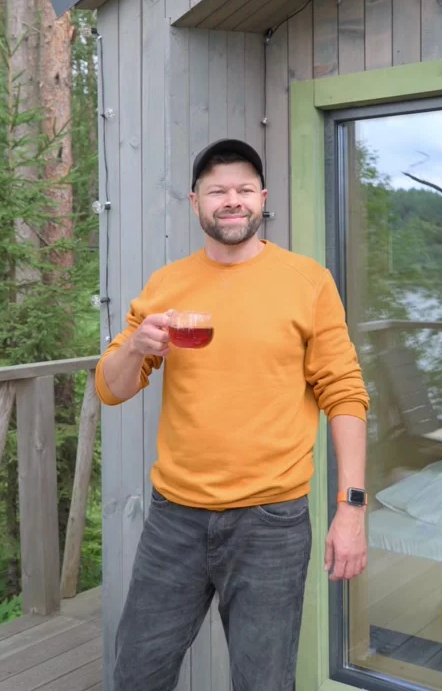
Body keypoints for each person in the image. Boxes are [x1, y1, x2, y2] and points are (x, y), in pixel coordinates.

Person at [95, 138, 370, 691]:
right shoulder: (166, 286)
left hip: (272, 522)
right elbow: (111, 389)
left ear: (262, 198)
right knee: (135, 676)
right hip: (175, 517)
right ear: (195, 202)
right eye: (217, 190)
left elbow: (344, 393)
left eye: (244, 189)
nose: (232, 200)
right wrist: (136, 348)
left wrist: (352, 508)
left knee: (263, 682)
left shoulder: (308, 281)